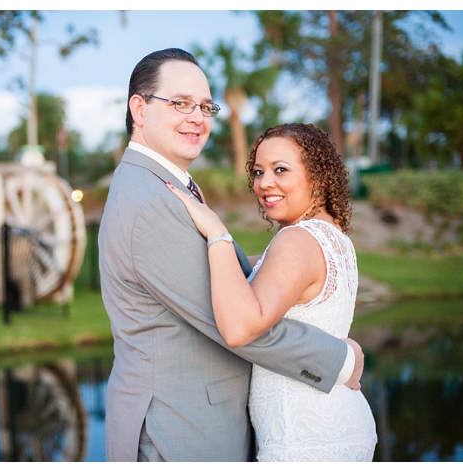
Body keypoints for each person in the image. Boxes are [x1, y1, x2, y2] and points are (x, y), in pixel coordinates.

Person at [98, 48, 364, 462]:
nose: (198, 118)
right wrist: (340, 359)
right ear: (140, 108)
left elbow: (210, 276)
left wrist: (279, 263)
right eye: (181, 103)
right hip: (181, 429)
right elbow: (236, 322)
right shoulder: (150, 201)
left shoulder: (166, 185)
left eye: (205, 106)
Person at [167, 122, 378, 461]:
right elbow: (240, 276)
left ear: (317, 176)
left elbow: (240, 327)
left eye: (280, 170)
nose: (265, 183)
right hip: (332, 421)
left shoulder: (296, 240)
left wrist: (217, 233)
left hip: (304, 437)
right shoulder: (331, 236)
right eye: (258, 171)